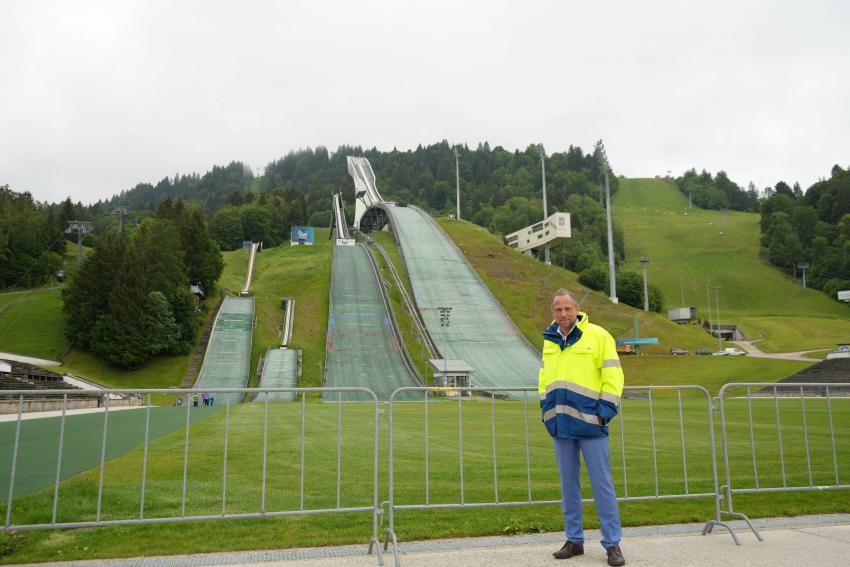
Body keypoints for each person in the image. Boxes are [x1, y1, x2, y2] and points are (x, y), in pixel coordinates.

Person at [539, 289, 625, 566]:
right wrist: (546, 411)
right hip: (561, 424)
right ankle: (574, 540)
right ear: (553, 312)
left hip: (591, 424)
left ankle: (612, 544)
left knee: (602, 485)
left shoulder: (598, 336)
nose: (563, 314)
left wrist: (606, 411)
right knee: (568, 486)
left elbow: (613, 375)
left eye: (567, 309)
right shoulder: (549, 339)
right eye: (558, 310)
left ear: (577, 309)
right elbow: (544, 378)